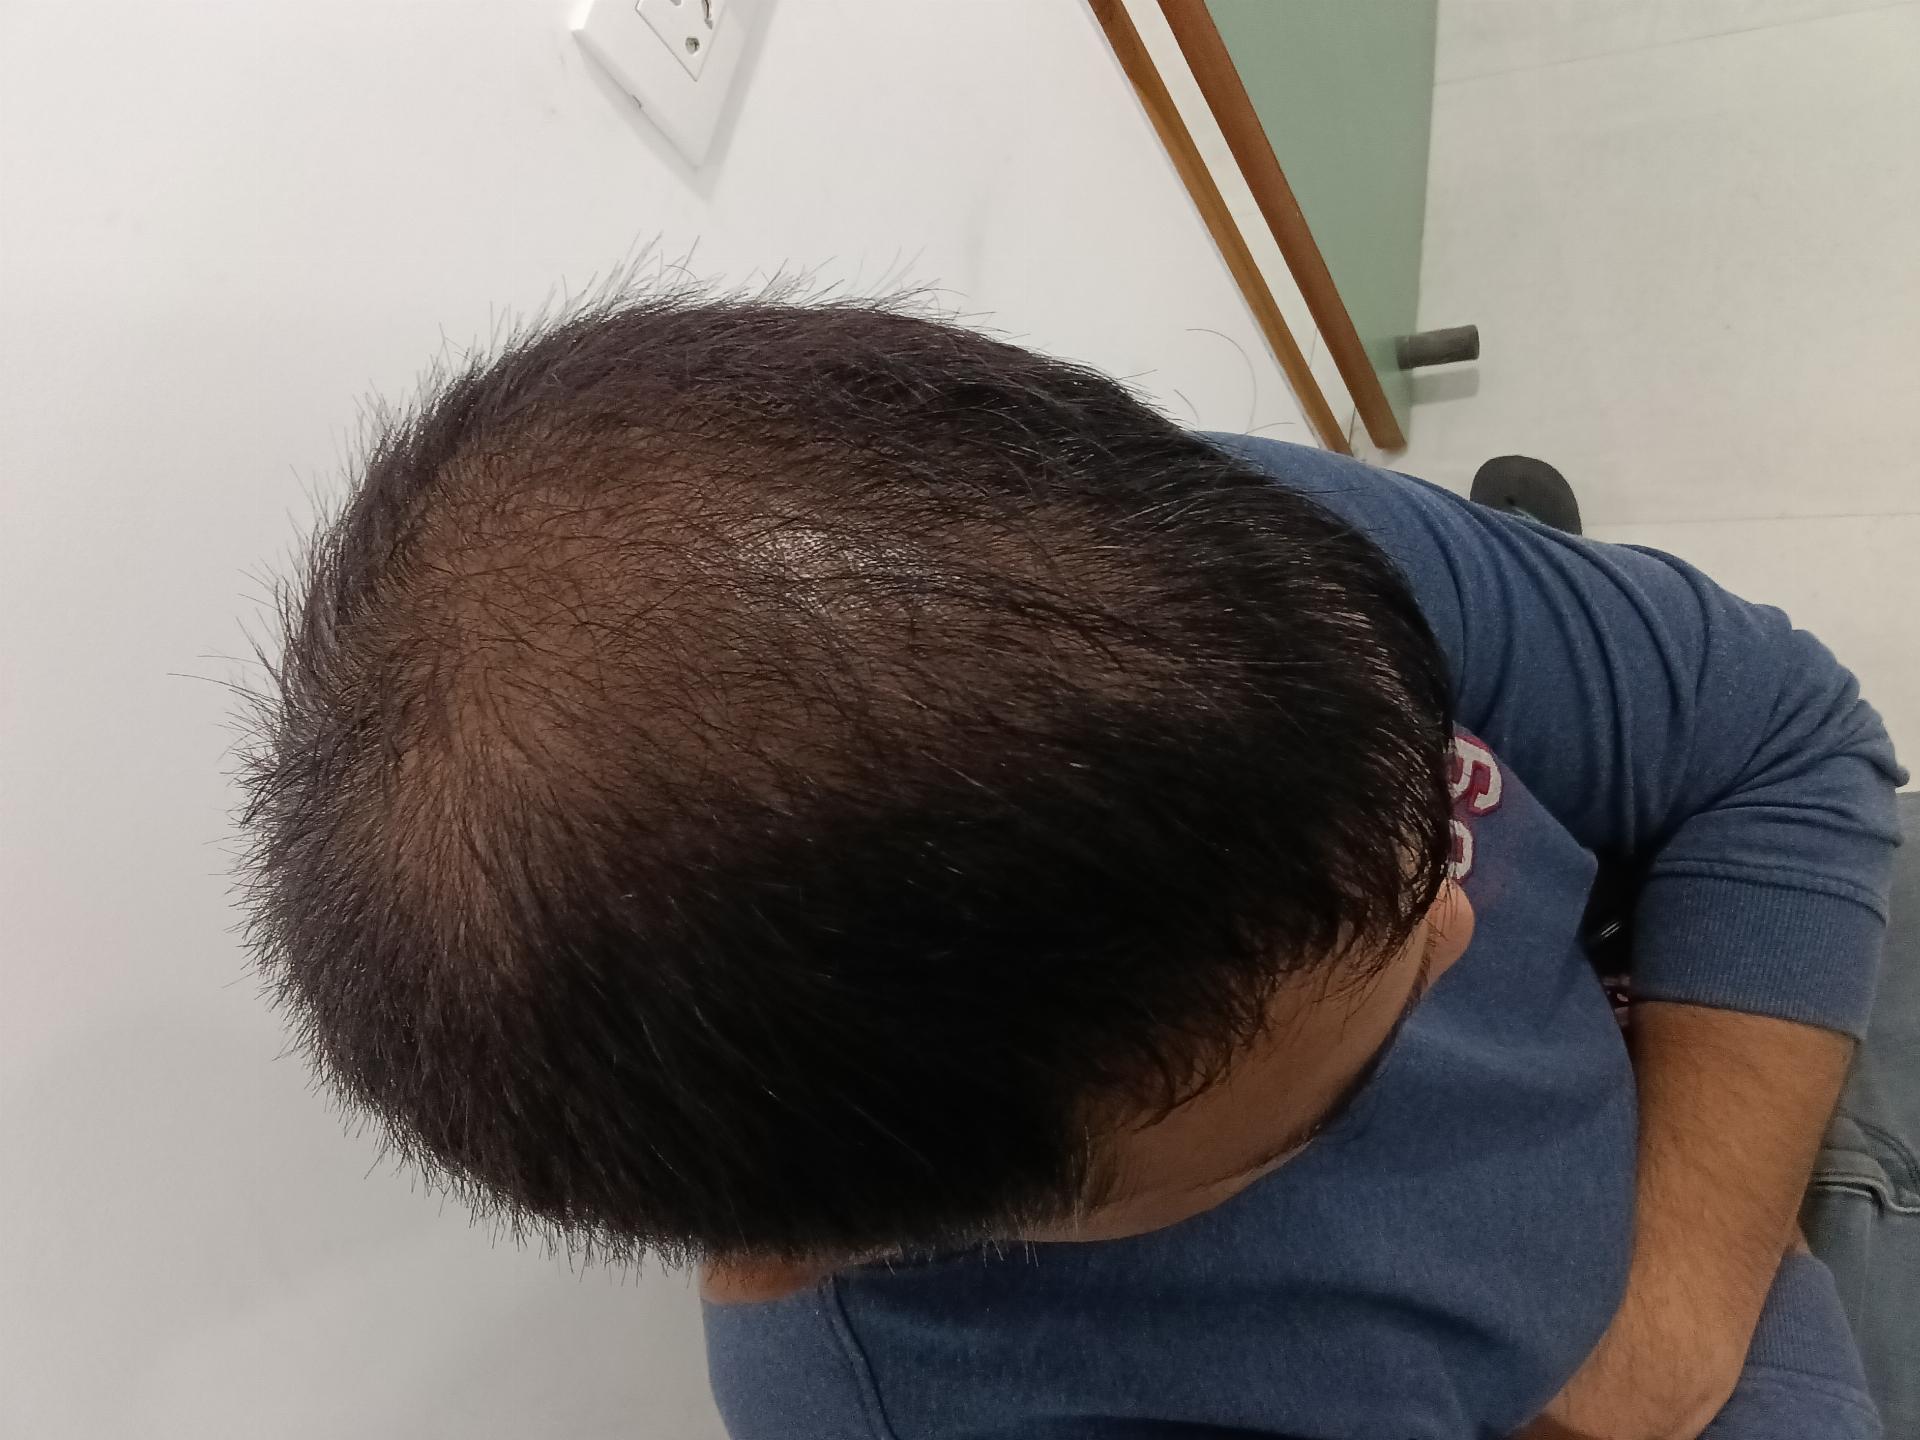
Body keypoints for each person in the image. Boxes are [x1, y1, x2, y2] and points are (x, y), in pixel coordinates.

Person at [236, 293, 1904, 1438]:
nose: (1461, 922)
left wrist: (1671, 1317)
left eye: (1430, 810)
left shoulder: (1253, 568)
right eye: (1318, 1100)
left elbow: (1789, 736)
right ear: (882, 1246)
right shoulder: (942, 1398)